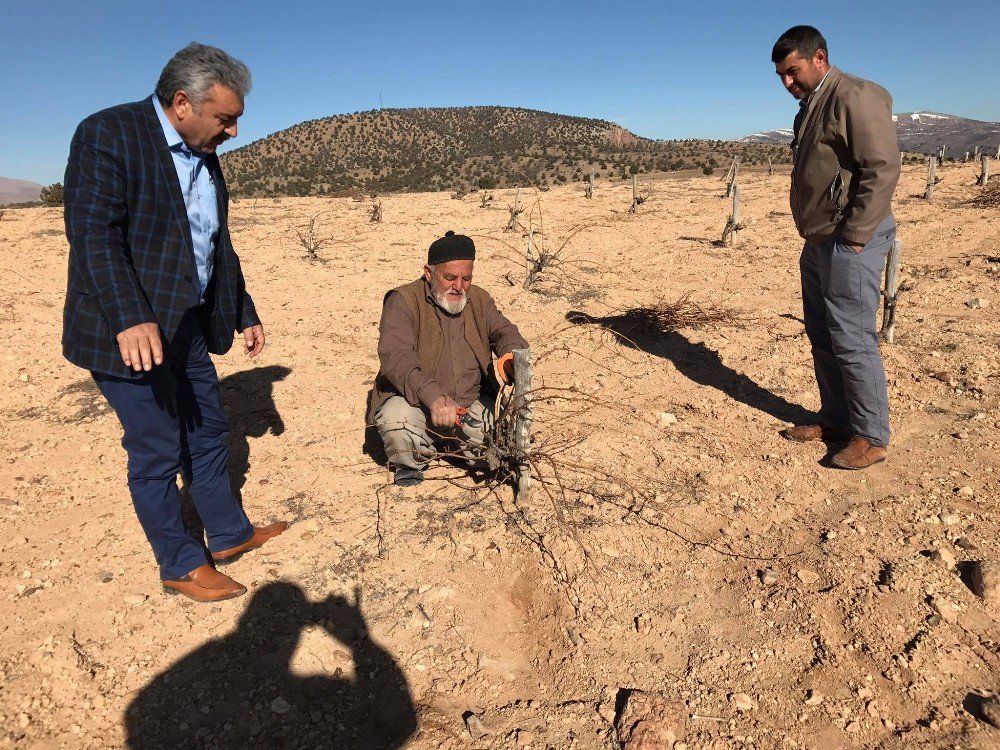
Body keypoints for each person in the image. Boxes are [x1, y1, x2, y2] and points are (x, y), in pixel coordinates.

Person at [63, 43, 287, 602]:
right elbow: (94, 237)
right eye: (226, 118)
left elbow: (215, 242)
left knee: (209, 428)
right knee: (158, 448)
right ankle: (180, 563)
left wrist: (243, 310)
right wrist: (131, 316)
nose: (233, 132)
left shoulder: (201, 152)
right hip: (126, 332)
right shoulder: (108, 134)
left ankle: (229, 533)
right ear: (183, 103)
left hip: (185, 324)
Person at [771, 25, 901, 469]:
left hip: (851, 240)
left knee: (851, 338)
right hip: (820, 239)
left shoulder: (854, 96)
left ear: (819, 58)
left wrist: (856, 237)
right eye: (781, 76)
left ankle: (871, 436)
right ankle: (837, 419)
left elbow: (881, 169)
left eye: (793, 72)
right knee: (823, 334)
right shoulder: (810, 106)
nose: (788, 83)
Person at [370, 231, 529, 486]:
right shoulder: (403, 301)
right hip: (417, 404)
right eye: (450, 277)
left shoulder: (478, 299)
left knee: (497, 444)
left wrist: (509, 357)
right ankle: (410, 464)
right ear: (429, 273)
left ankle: (457, 446)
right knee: (395, 422)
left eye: (466, 278)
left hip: (469, 404)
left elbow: (505, 332)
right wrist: (434, 397)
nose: (459, 286)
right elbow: (396, 358)